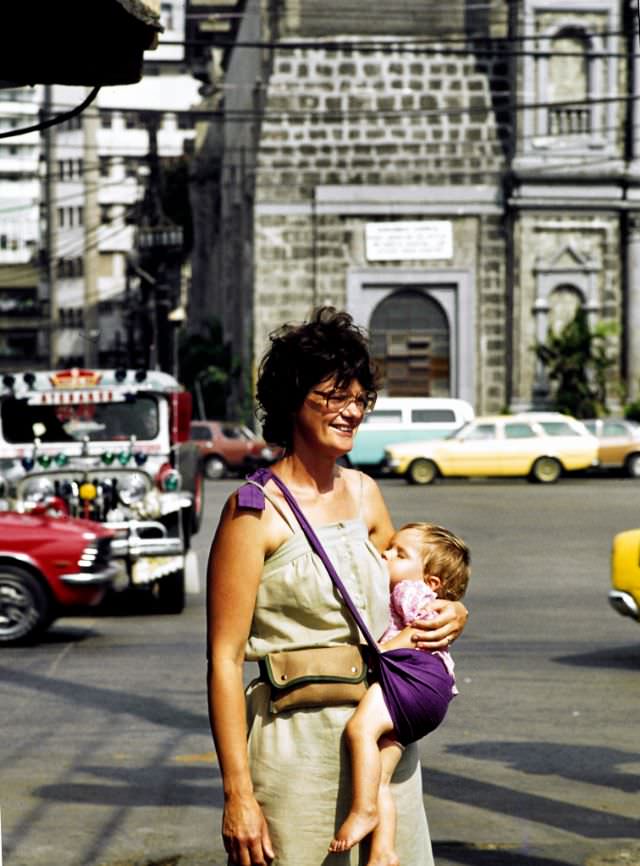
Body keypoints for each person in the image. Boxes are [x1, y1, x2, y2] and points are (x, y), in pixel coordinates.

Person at [206, 307, 469, 866]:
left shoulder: (367, 493)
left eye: (360, 399)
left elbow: (410, 587)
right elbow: (224, 660)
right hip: (294, 757)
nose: (352, 412)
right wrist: (238, 794)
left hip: (381, 748)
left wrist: (453, 613)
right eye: (334, 396)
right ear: (292, 399)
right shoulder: (252, 512)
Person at [329, 522, 471, 864]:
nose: (385, 553)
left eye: (400, 553)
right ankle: (384, 851)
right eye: (390, 547)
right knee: (380, 775)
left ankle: (363, 811)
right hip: (429, 693)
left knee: (359, 729)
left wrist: (379, 652)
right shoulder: (417, 588)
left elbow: (419, 630)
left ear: (432, 582)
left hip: (412, 677)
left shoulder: (409, 590)